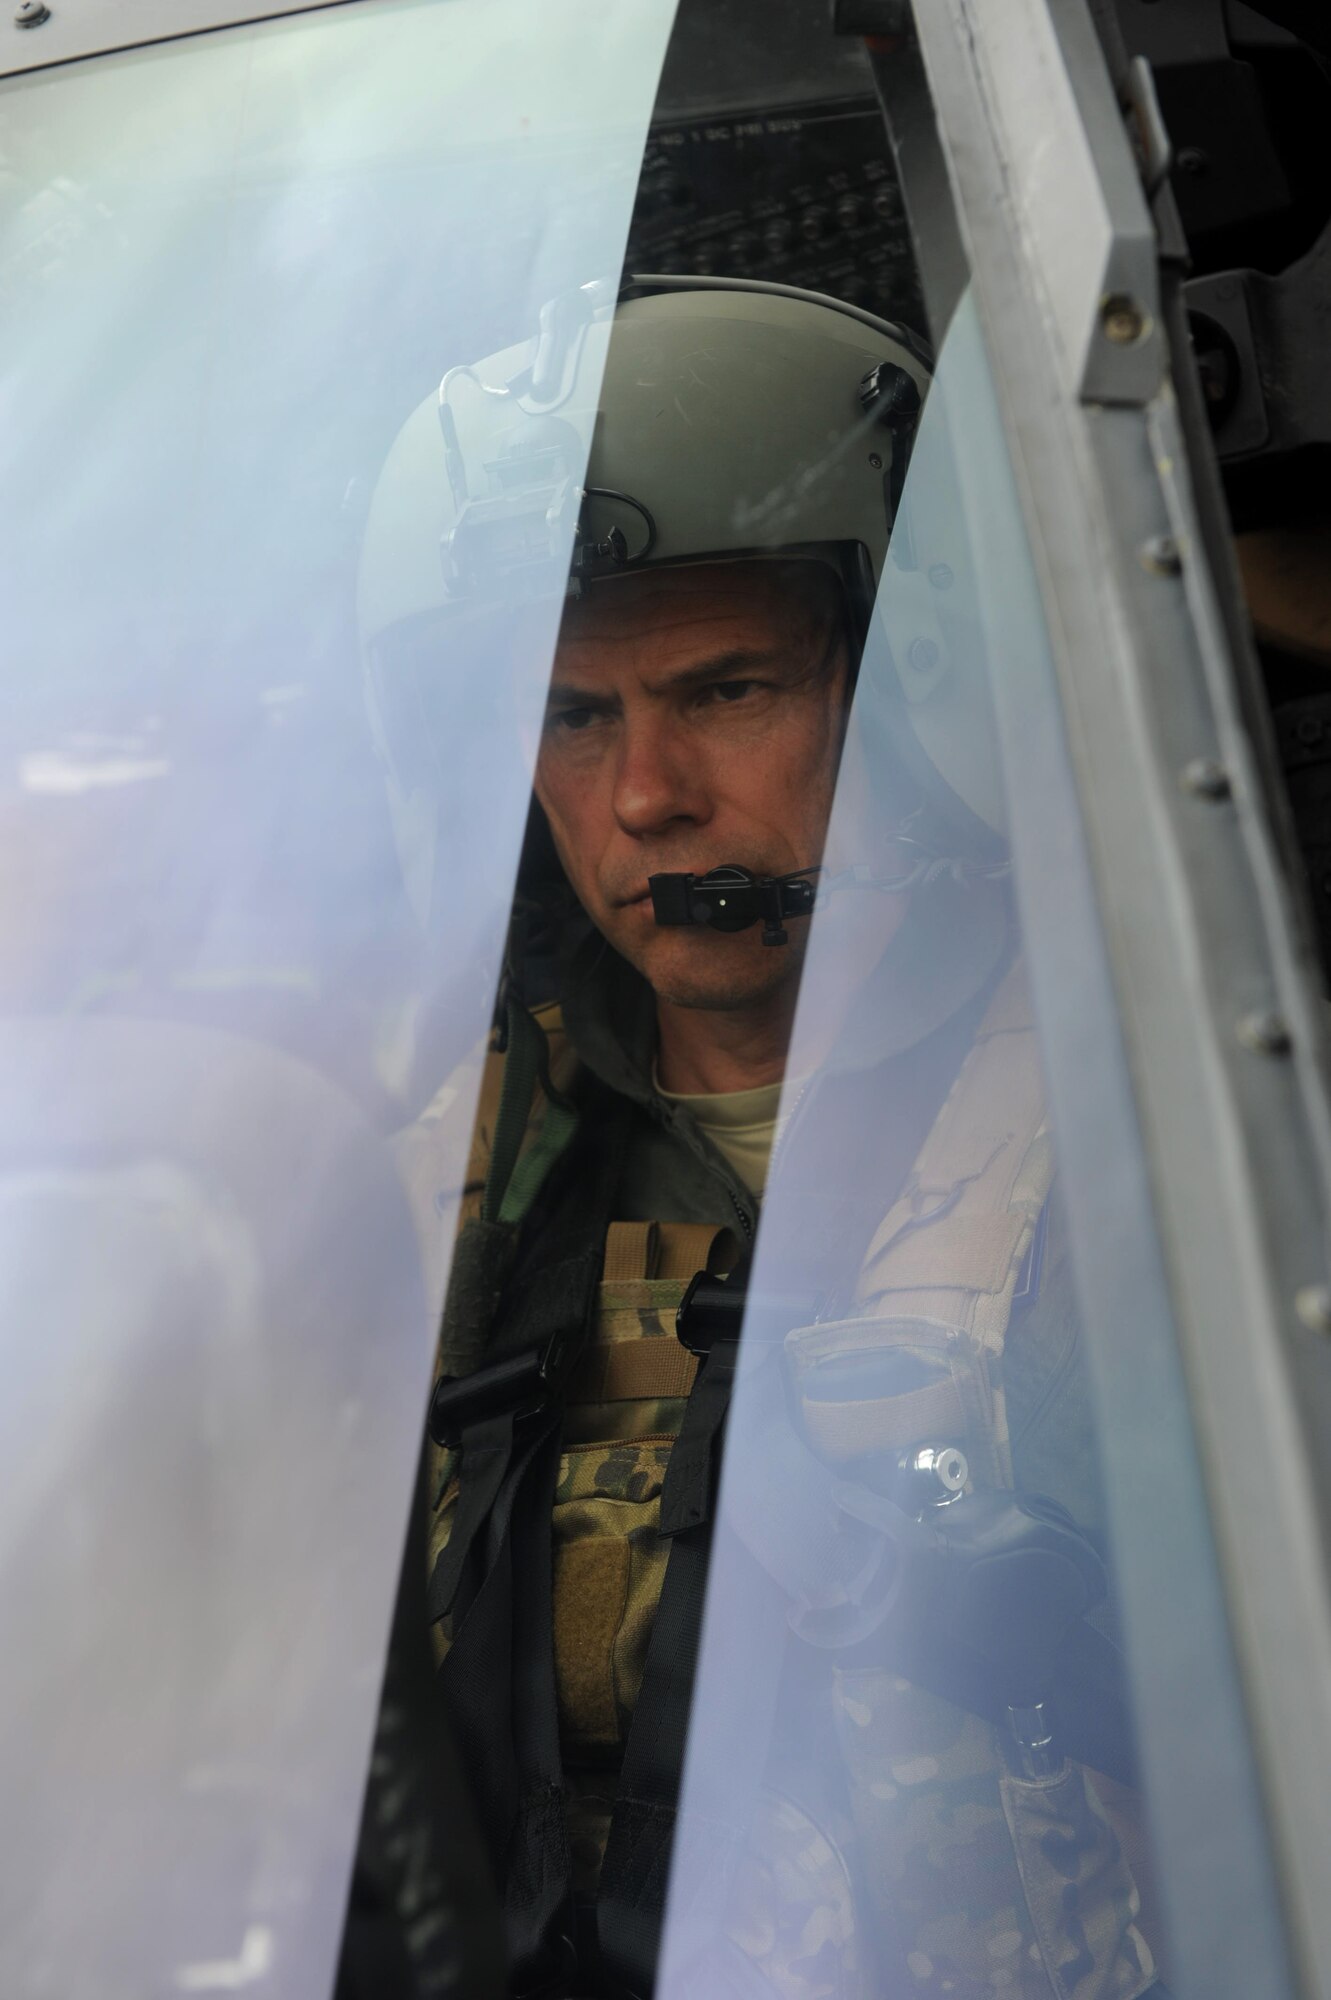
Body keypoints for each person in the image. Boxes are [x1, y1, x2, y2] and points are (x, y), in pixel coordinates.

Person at [361, 279, 1163, 1999]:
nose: (647, 794)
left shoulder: (1161, 1084)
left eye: (724, 690)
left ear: (904, 690)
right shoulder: (438, 1186)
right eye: (577, 718)